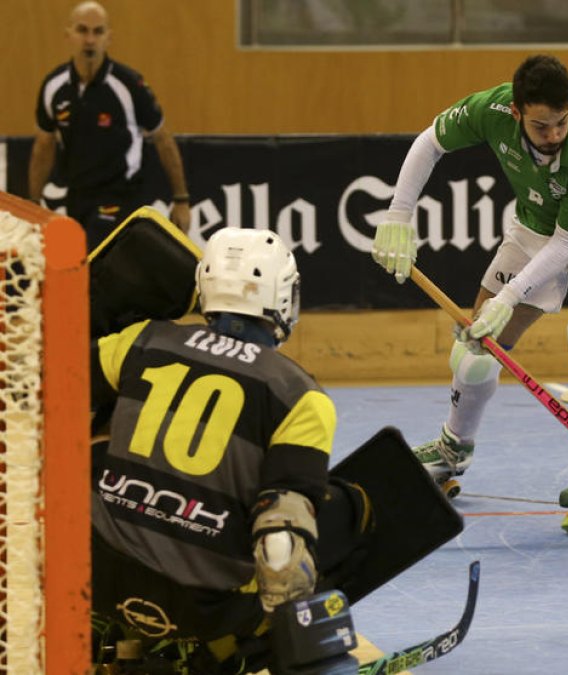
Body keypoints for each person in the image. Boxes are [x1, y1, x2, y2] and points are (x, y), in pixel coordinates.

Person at [371, 54, 568, 522]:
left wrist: (509, 296)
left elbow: (567, 244)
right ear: (518, 112)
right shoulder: (491, 111)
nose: (555, 135)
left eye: (562, 122)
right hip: (532, 232)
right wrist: (398, 217)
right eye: (542, 125)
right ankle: (452, 447)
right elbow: (430, 143)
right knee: (474, 350)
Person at [89, 228, 362, 670]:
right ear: (285, 298)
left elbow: (47, 390)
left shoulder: (141, 340)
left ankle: (100, 630)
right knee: (348, 507)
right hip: (204, 608)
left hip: (97, 577)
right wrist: (288, 640)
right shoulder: (300, 395)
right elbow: (280, 540)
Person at [30, 1, 191, 250]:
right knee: (74, 267)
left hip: (120, 195)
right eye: (83, 30)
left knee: (94, 255)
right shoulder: (54, 86)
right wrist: (33, 204)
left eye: (98, 32)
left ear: (109, 38)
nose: (90, 40)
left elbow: (163, 139)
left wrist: (181, 199)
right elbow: (44, 146)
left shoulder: (129, 85)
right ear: (68, 35)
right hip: (77, 195)